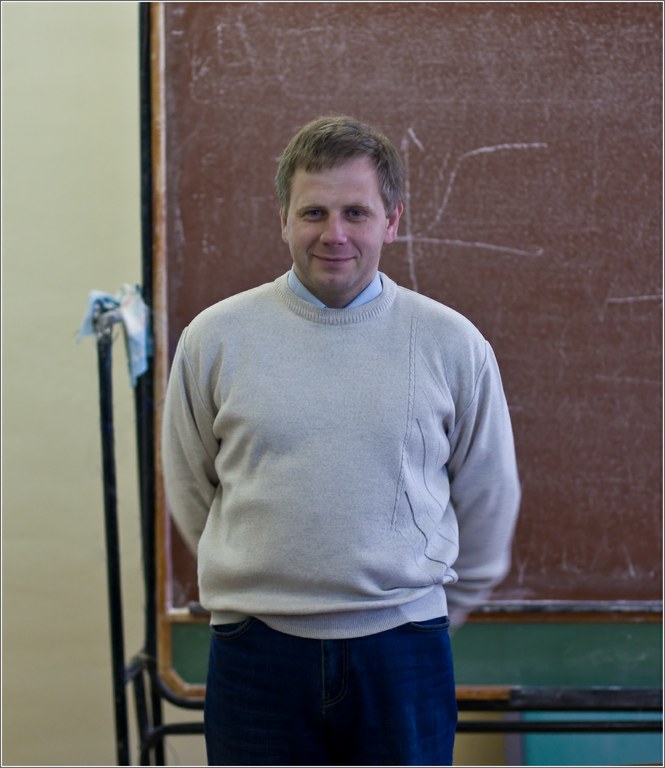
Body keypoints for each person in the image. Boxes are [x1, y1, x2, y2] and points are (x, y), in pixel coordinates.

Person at [161, 115, 521, 766]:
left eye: (356, 212)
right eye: (313, 213)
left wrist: (430, 608)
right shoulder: (215, 339)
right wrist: (252, 584)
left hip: (402, 648)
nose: (334, 234)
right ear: (283, 220)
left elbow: (488, 490)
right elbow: (191, 487)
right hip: (256, 651)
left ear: (392, 221)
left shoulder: (451, 343)